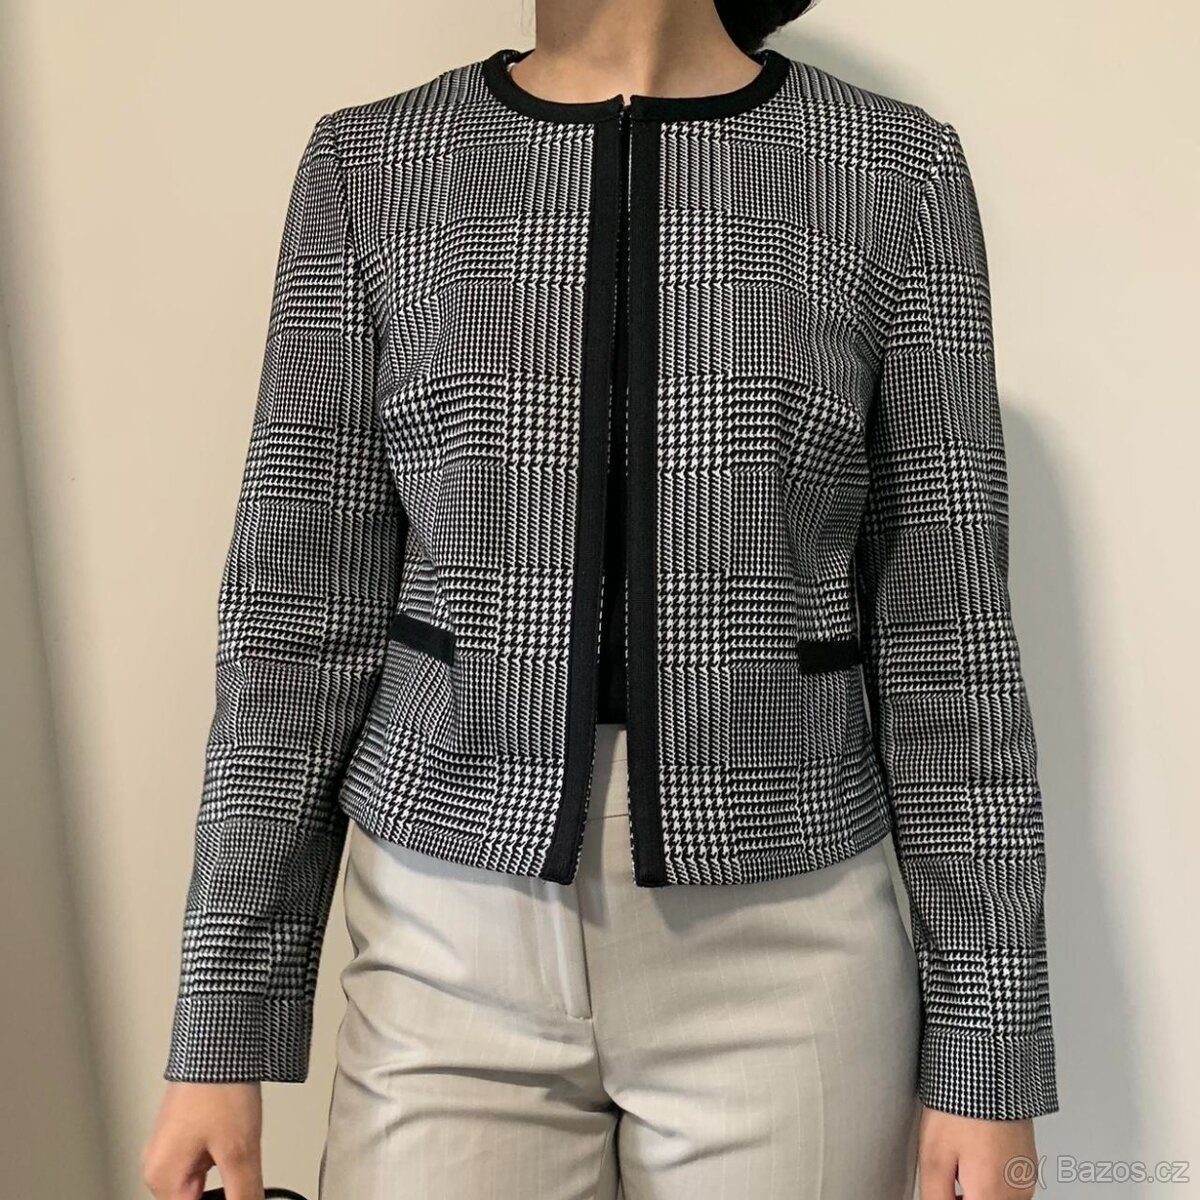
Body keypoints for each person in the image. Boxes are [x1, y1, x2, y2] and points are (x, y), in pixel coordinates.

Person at [142, 2, 1059, 1197]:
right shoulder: (373, 164)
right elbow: (295, 618)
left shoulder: (892, 170)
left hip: (791, 940)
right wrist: (222, 1019)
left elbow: (948, 637)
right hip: (444, 931)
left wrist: (989, 1051)